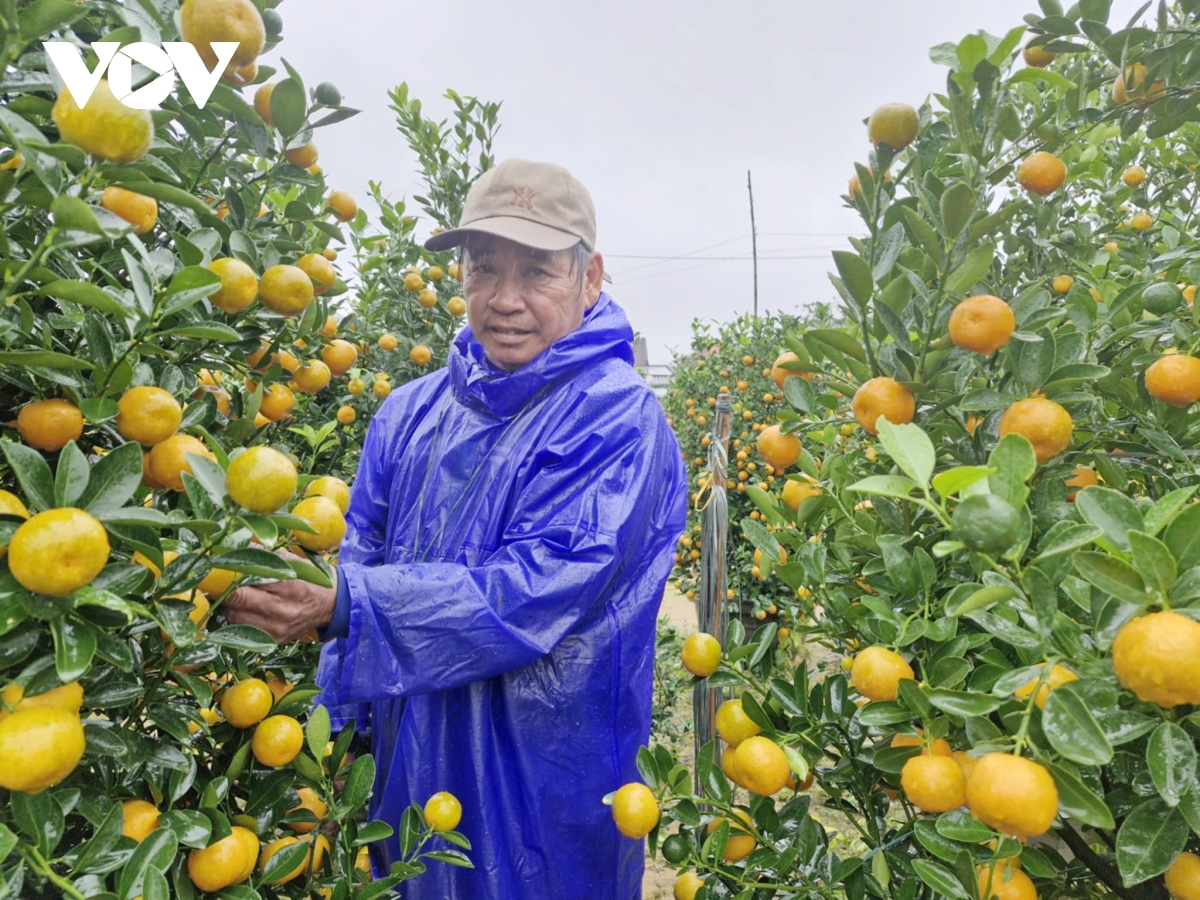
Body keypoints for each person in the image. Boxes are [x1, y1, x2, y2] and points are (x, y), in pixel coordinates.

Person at [224, 158, 688, 899]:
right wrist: (337, 730)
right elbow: (360, 556)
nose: (505, 300)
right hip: (406, 770)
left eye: (537, 273)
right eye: (484, 269)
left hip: (541, 775)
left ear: (590, 278)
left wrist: (350, 603)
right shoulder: (406, 413)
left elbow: (535, 589)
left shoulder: (617, 416)